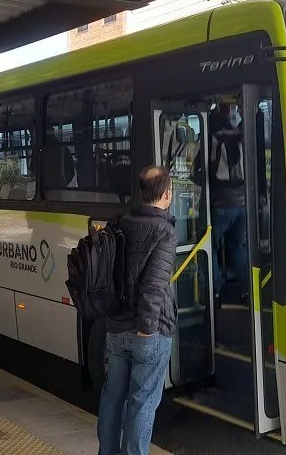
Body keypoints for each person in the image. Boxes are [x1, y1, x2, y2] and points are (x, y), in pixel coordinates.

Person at [97, 166, 177, 455]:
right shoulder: (164, 231)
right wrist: (146, 332)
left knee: (112, 399)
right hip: (147, 331)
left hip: (116, 327)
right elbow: (153, 289)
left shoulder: (119, 221)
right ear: (167, 193)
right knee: (142, 405)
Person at [208, 103, 249, 304]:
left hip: (221, 203)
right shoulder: (240, 134)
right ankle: (248, 290)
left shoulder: (215, 136)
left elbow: (204, 167)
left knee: (210, 246)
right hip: (242, 202)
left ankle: (215, 290)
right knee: (238, 247)